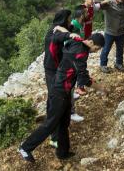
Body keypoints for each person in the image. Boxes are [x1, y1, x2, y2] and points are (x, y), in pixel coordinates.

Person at [19, 33, 107, 162]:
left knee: (64, 123)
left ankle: (62, 152)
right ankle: (25, 147)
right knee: (50, 123)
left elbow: (66, 41)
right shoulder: (81, 53)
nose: (96, 51)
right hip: (59, 91)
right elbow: (83, 77)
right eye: (97, 48)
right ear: (92, 43)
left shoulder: (76, 42)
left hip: (63, 89)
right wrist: (100, 88)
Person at [43, 9, 80, 148]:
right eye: (68, 19)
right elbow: (63, 36)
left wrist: (68, 28)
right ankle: (54, 137)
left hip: (54, 68)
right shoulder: (55, 33)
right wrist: (71, 35)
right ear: (63, 20)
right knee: (56, 100)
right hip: (52, 70)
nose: (70, 21)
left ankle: (54, 129)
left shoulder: (57, 28)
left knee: (53, 98)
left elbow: (72, 27)